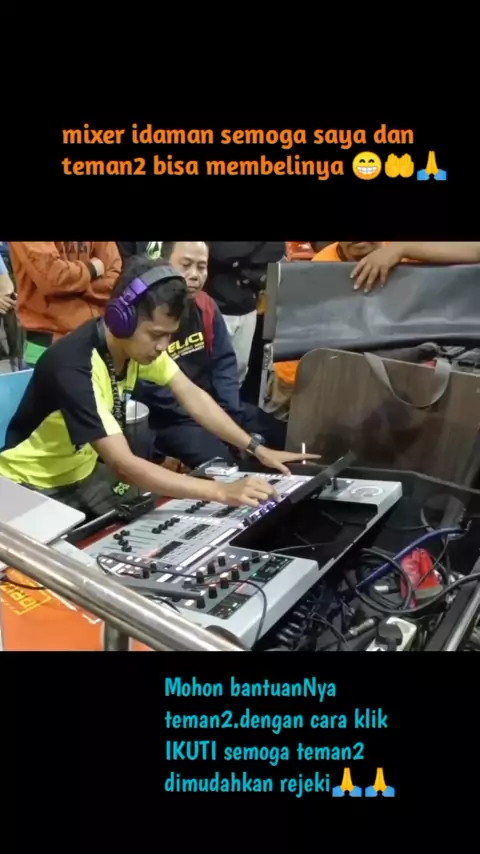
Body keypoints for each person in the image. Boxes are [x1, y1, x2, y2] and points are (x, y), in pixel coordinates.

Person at [0, 257, 316, 518]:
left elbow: (194, 397)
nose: (163, 346)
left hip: (80, 472)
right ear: (121, 319)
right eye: (156, 335)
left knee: (155, 518)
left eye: (169, 335)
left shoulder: (137, 347)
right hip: (26, 482)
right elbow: (123, 464)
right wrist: (221, 491)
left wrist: (256, 448)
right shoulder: (74, 365)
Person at [134, 242, 287, 469]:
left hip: (212, 406)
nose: (195, 275)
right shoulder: (147, 313)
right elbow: (148, 388)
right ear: (163, 265)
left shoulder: (206, 306)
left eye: (201, 267)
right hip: (172, 419)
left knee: (283, 435)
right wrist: (207, 418)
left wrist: (229, 411)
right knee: (225, 463)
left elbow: (224, 362)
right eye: (186, 265)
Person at [9, 241, 122, 366]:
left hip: (98, 339)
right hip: (49, 343)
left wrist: (72, 285)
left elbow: (115, 279)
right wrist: (91, 270)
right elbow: (53, 276)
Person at [206, 242, 286, 384]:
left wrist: (237, 263)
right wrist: (250, 263)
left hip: (248, 306)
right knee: (211, 369)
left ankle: (231, 398)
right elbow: (220, 252)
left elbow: (277, 248)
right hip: (216, 306)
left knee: (240, 369)